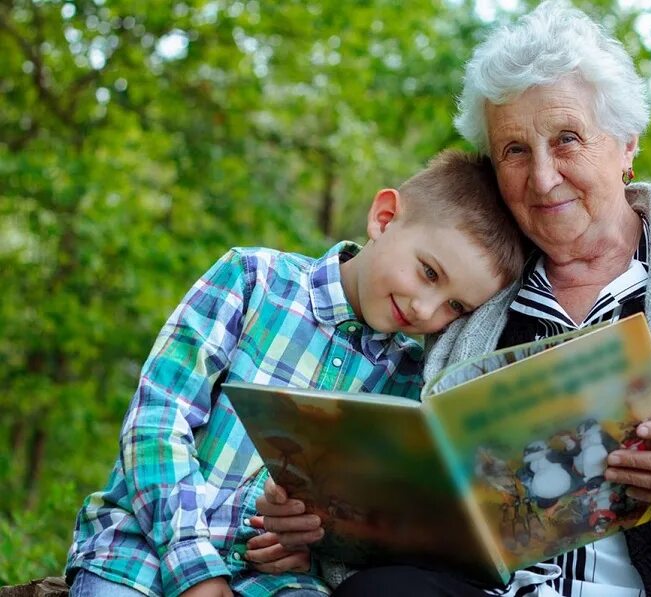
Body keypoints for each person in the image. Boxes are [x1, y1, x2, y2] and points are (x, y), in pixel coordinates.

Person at [255, 2, 651, 596]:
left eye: (568, 139)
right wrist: (321, 529)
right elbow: (405, 505)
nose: (544, 177)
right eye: (515, 151)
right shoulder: (466, 296)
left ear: (627, 144)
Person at [64, 150, 526, 597]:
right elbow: (157, 422)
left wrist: (308, 545)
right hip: (141, 553)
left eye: (455, 306)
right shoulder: (252, 280)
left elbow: (355, 523)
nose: (426, 309)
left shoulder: (408, 384)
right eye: (428, 272)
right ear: (384, 219)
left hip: (273, 580)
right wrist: (194, 567)